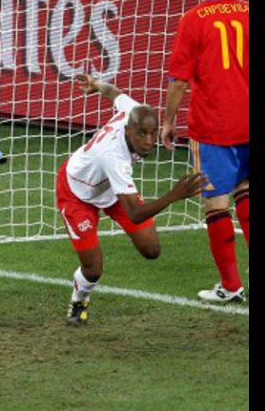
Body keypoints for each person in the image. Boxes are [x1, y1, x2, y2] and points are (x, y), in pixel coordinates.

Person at [57, 73, 206, 324]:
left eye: (152, 133)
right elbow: (136, 213)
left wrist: (96, 86)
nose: (148, 142)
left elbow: (114, 94)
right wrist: (174, 194)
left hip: (110, 189)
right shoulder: (113, 156)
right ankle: (79, 300)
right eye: (141, 134)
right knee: (93, 269)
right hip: (77, 192)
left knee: (151, 250)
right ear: (128, 130)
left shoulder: (134, 111)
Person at [161, 0, 249, 303]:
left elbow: (179, 81)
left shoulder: (193, 20)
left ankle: (230, 287)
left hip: (213, 126)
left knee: (216, 205)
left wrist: (168, 122)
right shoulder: (247, 11)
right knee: (246, 195)